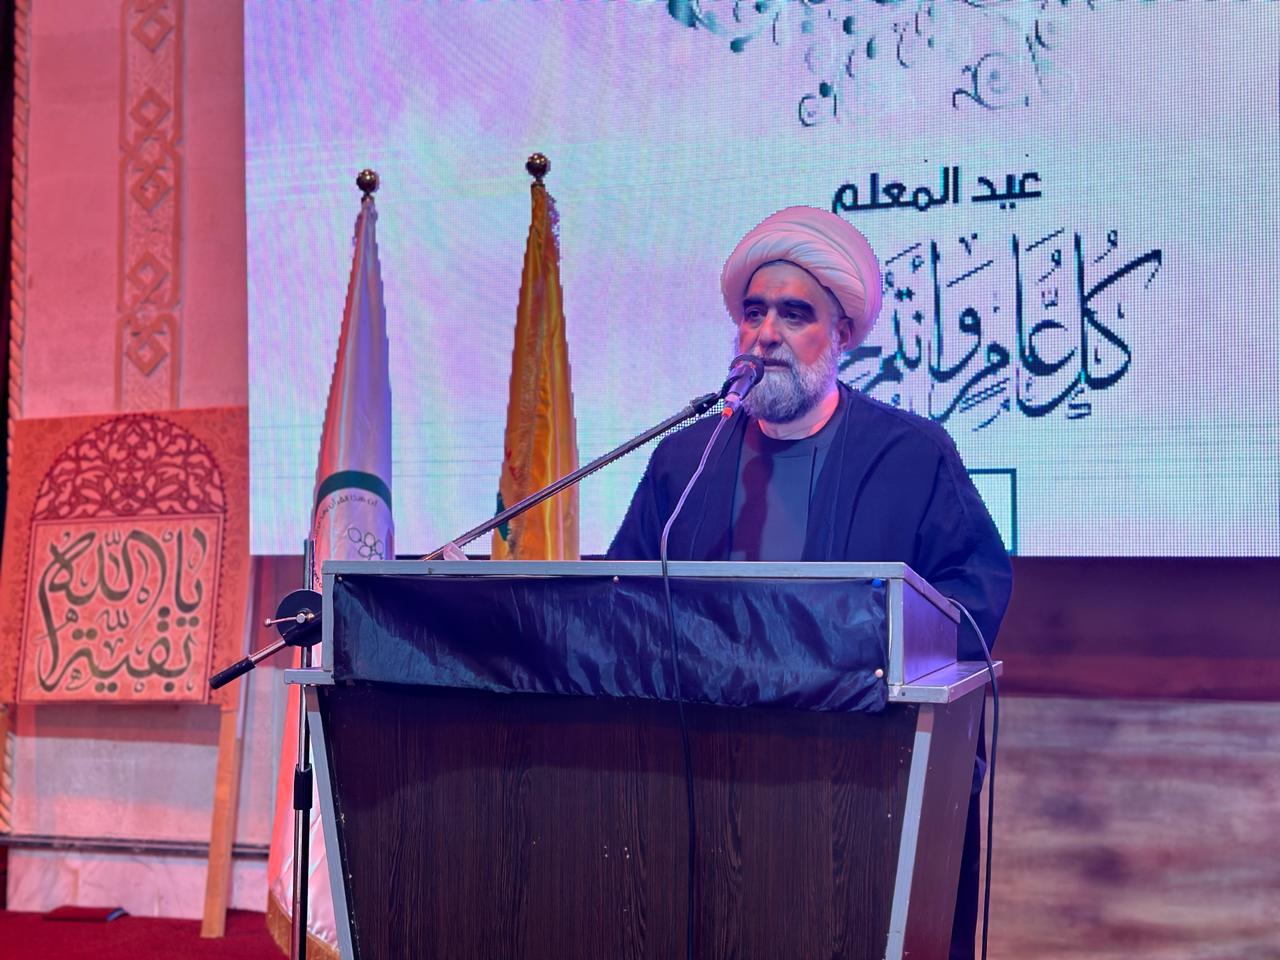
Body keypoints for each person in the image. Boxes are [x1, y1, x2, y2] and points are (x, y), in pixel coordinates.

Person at [606, 205, 1012, 959]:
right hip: (696, 796)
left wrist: (877, 649)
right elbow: (618, 599)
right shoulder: (686, 459)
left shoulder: (911, 455)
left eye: (794, 315)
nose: (766, 334)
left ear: (843, 336)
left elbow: (975, 594)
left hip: (855, 793)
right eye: (753, 312)